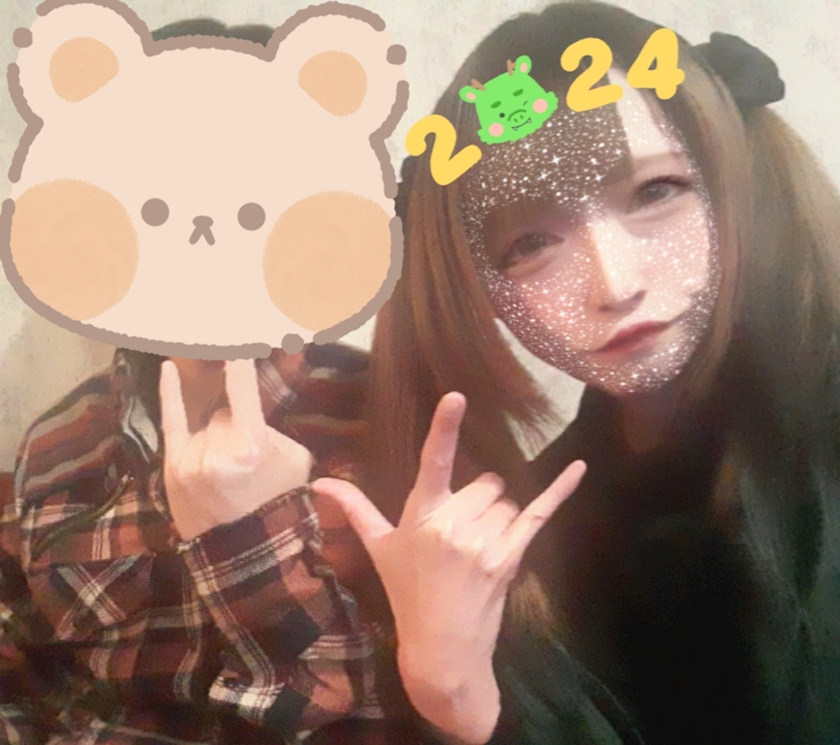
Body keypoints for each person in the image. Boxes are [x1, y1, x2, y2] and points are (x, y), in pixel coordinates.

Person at [311, 3, 840, 744]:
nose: (614, 285)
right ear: (480, 292)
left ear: (734, 175)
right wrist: (453, 695)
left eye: (655, 192)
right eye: (530, 244)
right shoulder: (539, 533)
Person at [0, 19, 417, 745]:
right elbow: (19, 656)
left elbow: (388, 712)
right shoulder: (62, 440)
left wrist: (248, 537)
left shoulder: (381, 415)